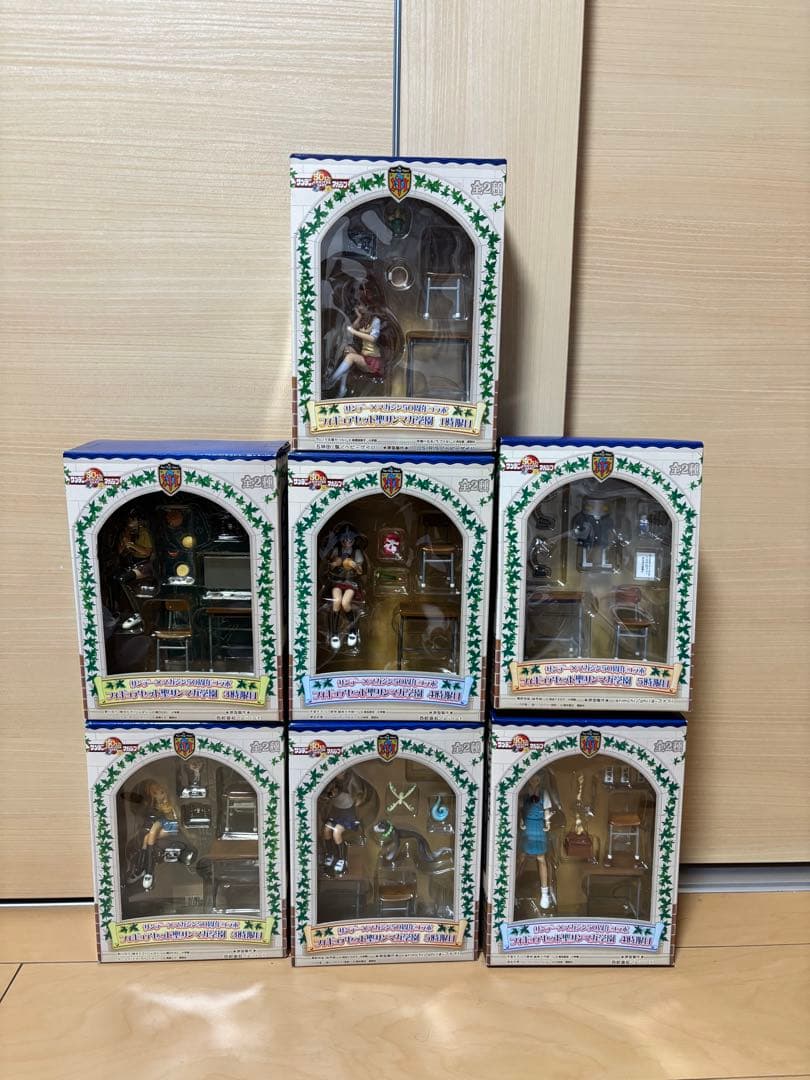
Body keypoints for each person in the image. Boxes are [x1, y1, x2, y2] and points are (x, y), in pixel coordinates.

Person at [127, 779, 196, 892]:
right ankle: (143, 868)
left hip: (171, 826)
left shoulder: (169, 805)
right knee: (147, 837)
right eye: (155, 793)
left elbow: (174, 820)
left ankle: (148, 872)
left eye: (162, 792)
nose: (159, 795)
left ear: (166, 792)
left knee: (152, 833)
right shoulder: (153, 806)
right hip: (161, 827)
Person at [321, 522, 366, 650]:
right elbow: (329, 567)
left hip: (351, 583)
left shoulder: (356, 552)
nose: (347, 543)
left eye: (350, 540)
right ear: (341, 540)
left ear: (353, 541)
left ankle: (352, 630)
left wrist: (354, 565)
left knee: (345, 603)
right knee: (337, 601)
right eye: (345, 540)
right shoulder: (337, 551)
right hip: (337, 581)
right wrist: (334, 563)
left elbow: (361, 571)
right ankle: (334, 633)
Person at [519, 788, 554, 910]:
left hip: (539, 827)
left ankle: (544, 893)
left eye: (537, 779)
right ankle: (511, 886)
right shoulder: (524, 794)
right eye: (532, 780)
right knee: (521, 857)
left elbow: (546, 810)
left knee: (541, 858)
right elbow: (520, 809)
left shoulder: (544, 794)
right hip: (527, 828)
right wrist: (521, 820)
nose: (534, 782)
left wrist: (547, 822)